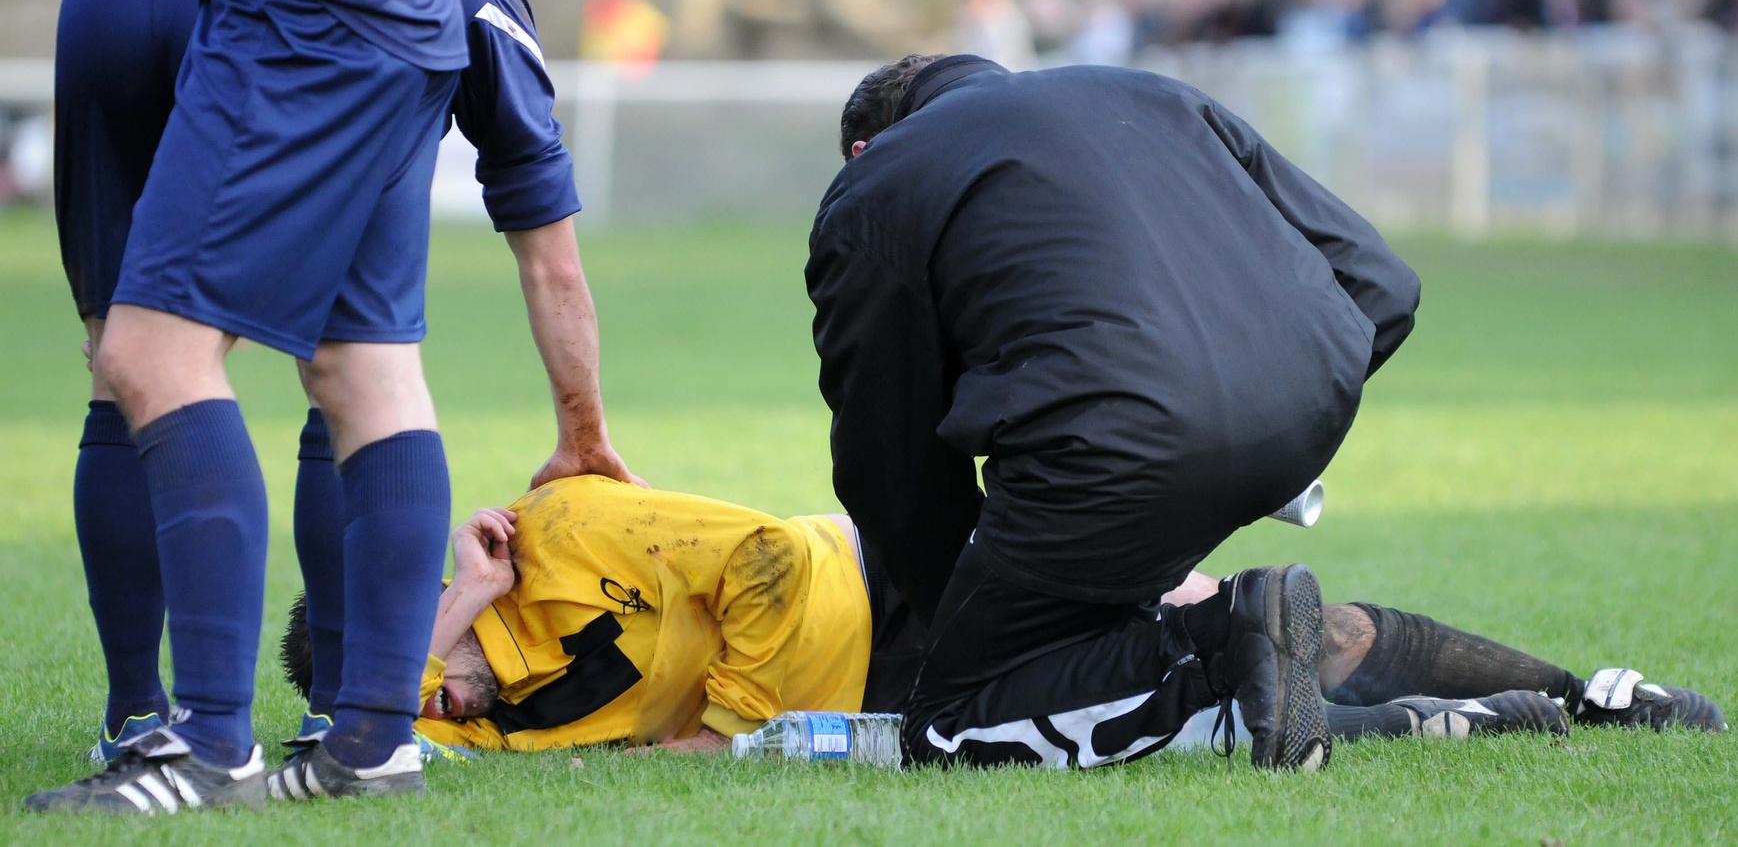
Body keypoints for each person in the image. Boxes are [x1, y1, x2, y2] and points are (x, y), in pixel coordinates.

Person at [38, 0, 640, 798]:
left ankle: (135, 716)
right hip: (301, 7)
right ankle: (345, 718)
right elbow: (551, 258)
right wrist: (583, 430)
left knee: (122, 360)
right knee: (360, 365)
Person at [30, 0, 495, 812]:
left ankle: (207, 747)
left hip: (301, 1)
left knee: (148, 351)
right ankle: (374, 740)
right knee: (364, 366)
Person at [806, 54, 1425, 771]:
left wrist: (958, 610)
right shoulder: (1145, 91)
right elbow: (1381, 282)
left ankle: (1235, 634)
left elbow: (887, 457)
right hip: (1293, 423)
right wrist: (1282, 407)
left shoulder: (876, 181)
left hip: (1113, 449)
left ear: (860, 149)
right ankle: (1551, 695)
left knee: (944, 723)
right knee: (1088, 616)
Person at [277, 478, 1724, 756]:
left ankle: (1585, 693)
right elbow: (356, 753)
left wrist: (725, 733)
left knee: (1273, 633)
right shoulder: (442, 716)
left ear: (433, 605)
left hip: (906, 583)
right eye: (415, 703)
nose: (442, 704)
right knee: (1210, 690)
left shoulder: (569, 531)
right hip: (898, 693)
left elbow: (776, 561)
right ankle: (1504, 719)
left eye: (432, 674)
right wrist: (430, 669)